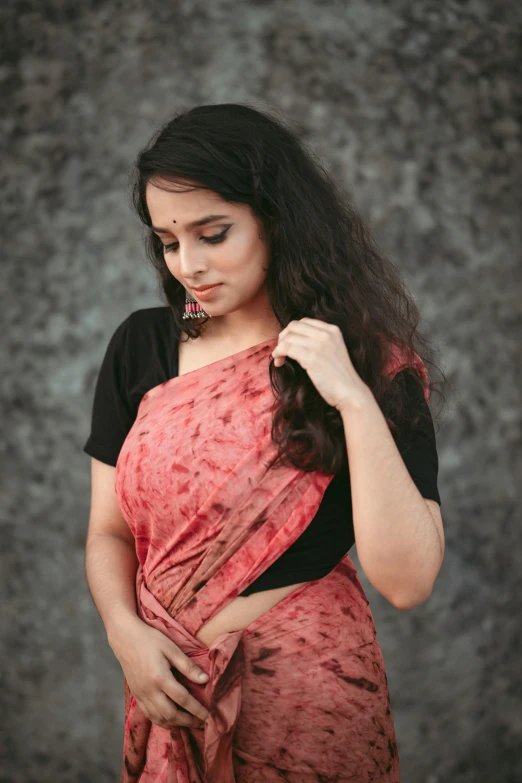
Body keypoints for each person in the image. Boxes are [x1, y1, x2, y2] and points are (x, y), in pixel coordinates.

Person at [84, 103, 446, 783]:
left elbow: (407, 580)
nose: (188, 264)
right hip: (169, 695)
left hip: (313, 705)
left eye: (212, 233)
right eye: (168, 241)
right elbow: (108, 531)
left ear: (277, 220)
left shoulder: (370, 365)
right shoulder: (145, 345)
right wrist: (124, 633)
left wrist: (354, 399)